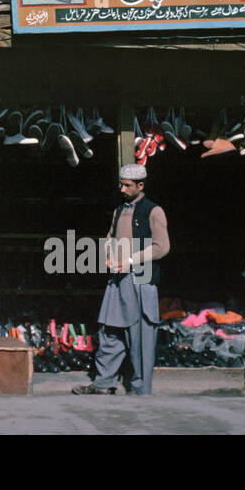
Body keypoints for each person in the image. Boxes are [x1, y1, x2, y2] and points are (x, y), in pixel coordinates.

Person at [73, 163, 170, 396]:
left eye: (127, 185)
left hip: (141, 279)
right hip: (117, 280)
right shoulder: (119, 211)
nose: (123, 189)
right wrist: (108, 254)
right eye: (121, 184)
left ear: (141, 185)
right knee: (110, 332)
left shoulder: (153, 211)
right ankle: (104, 383)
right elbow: (110, 236)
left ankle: (140, 390)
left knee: (139, 339)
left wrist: (130, 261)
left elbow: (162, 247)